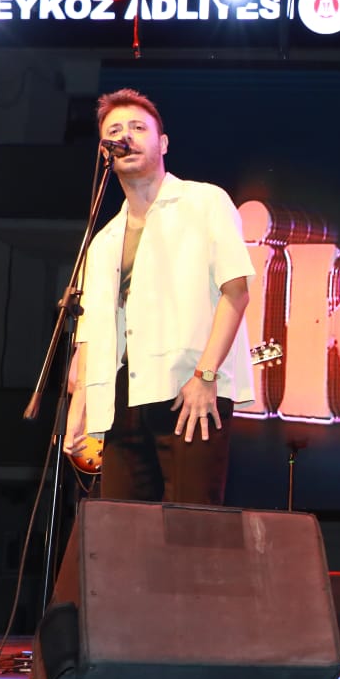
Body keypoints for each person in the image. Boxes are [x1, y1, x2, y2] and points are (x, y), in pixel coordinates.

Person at [65, 88, 257, 505]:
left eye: (138, 128)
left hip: (188, 390)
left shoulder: (205, 201)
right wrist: (79, 407)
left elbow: (236, 292)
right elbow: (92, 332)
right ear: (104, 151)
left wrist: (206, 377)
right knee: (125, 529)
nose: (125, 136)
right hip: (121, 399)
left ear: (163, 143)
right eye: (115, 131)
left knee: (190, 524)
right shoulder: (103, 240)